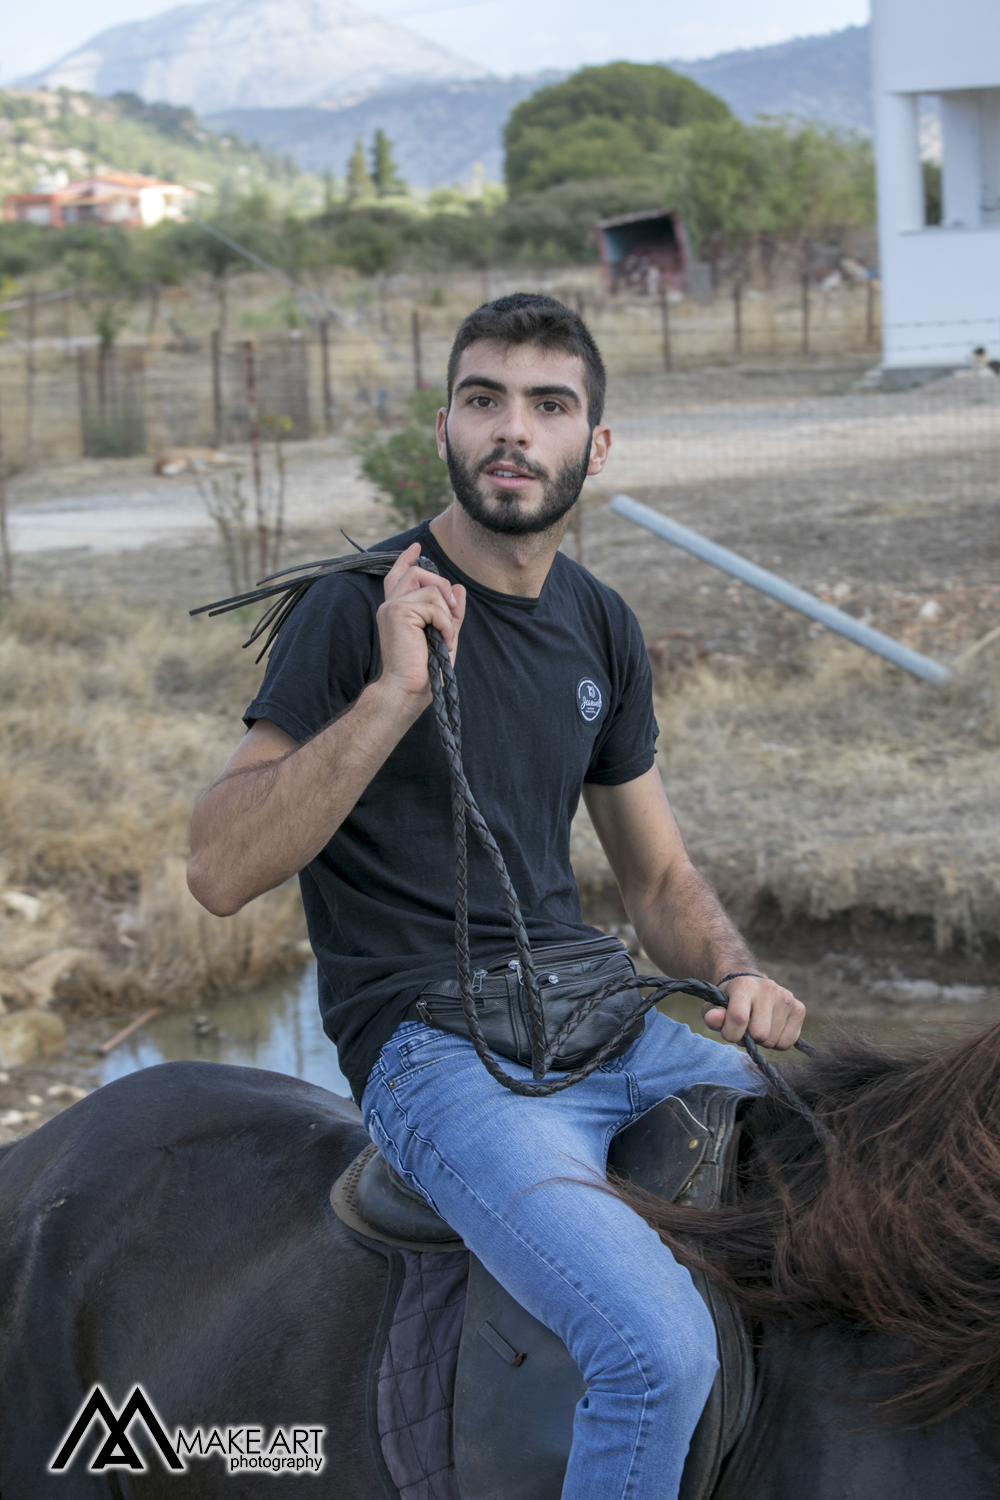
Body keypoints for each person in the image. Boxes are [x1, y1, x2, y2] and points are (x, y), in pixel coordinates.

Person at [188, 293, 805, 1500]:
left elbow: (656, 877)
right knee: (654, 1352)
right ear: (445, 428)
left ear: (595, 445)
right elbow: (218, 871)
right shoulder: (357, 607)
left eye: (547, 405)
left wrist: (736, 972)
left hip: (604, 1023)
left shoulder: (599, 622)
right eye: (484, 400)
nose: (512, 429)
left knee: (850, 1171)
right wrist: (390, 699)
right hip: (436, 1054)